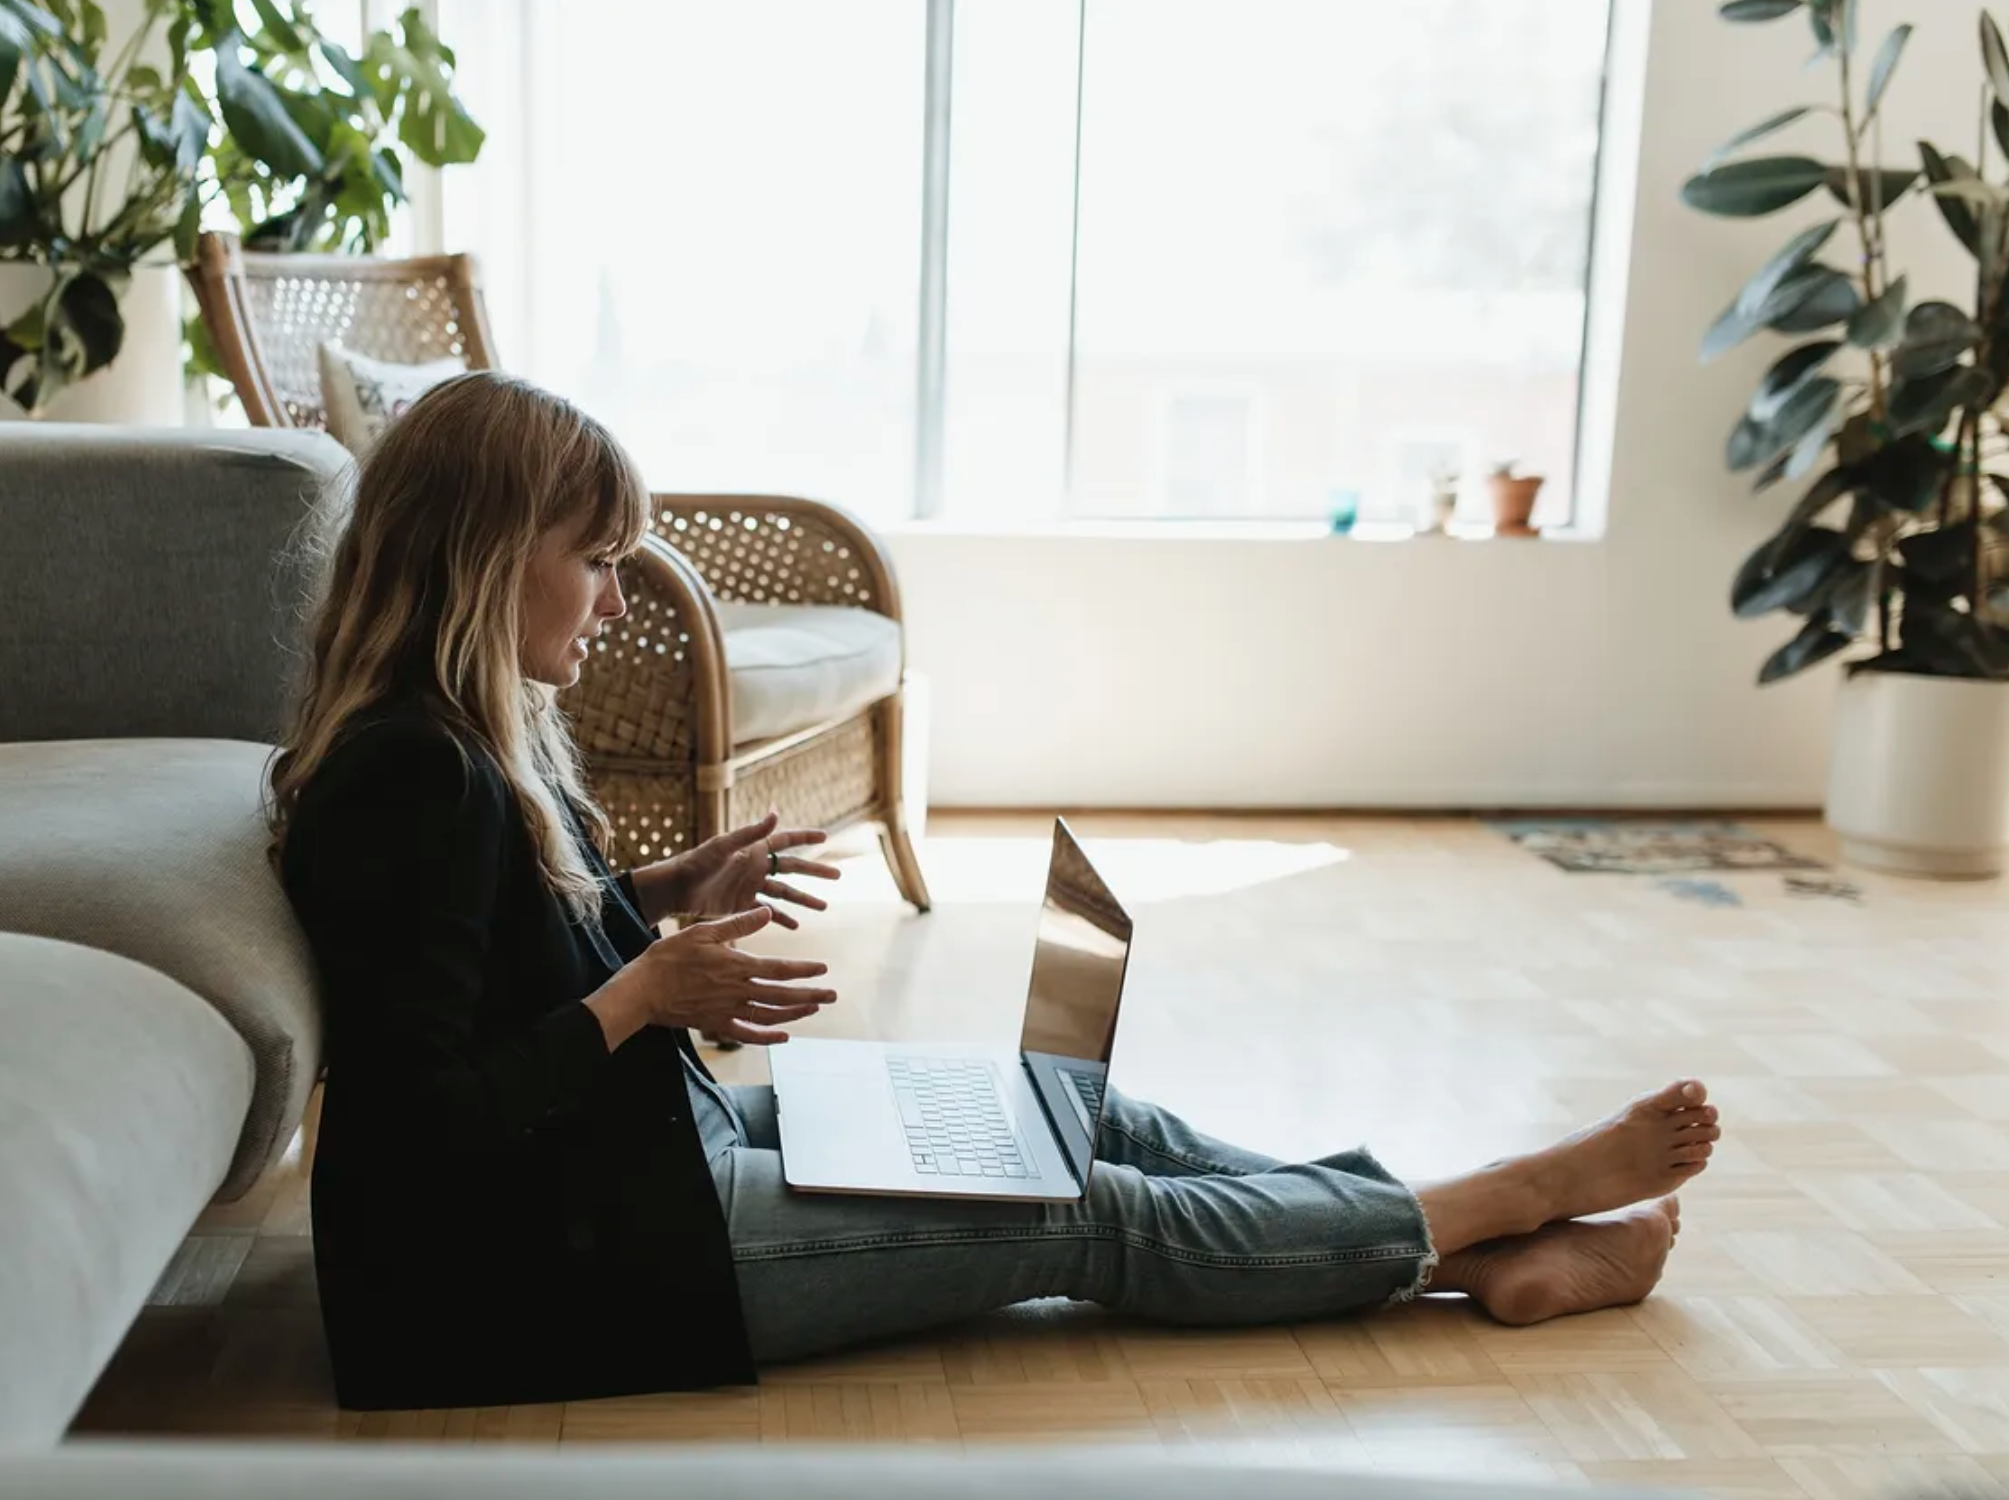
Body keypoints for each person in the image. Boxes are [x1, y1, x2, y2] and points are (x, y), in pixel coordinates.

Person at [268, 371, 1722, 1414]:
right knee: (1072, 1209)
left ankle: (1443, 1240)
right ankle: (1504, 1205)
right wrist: (647, 990)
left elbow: (483, 965)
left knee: (1074, 1115)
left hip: (621, 1170)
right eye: (594, 561)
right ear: (482, 556)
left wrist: (647, 898)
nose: (618, 599)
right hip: (547, 1274)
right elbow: (421, 1127)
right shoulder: (410, 776)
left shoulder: (455, 742)